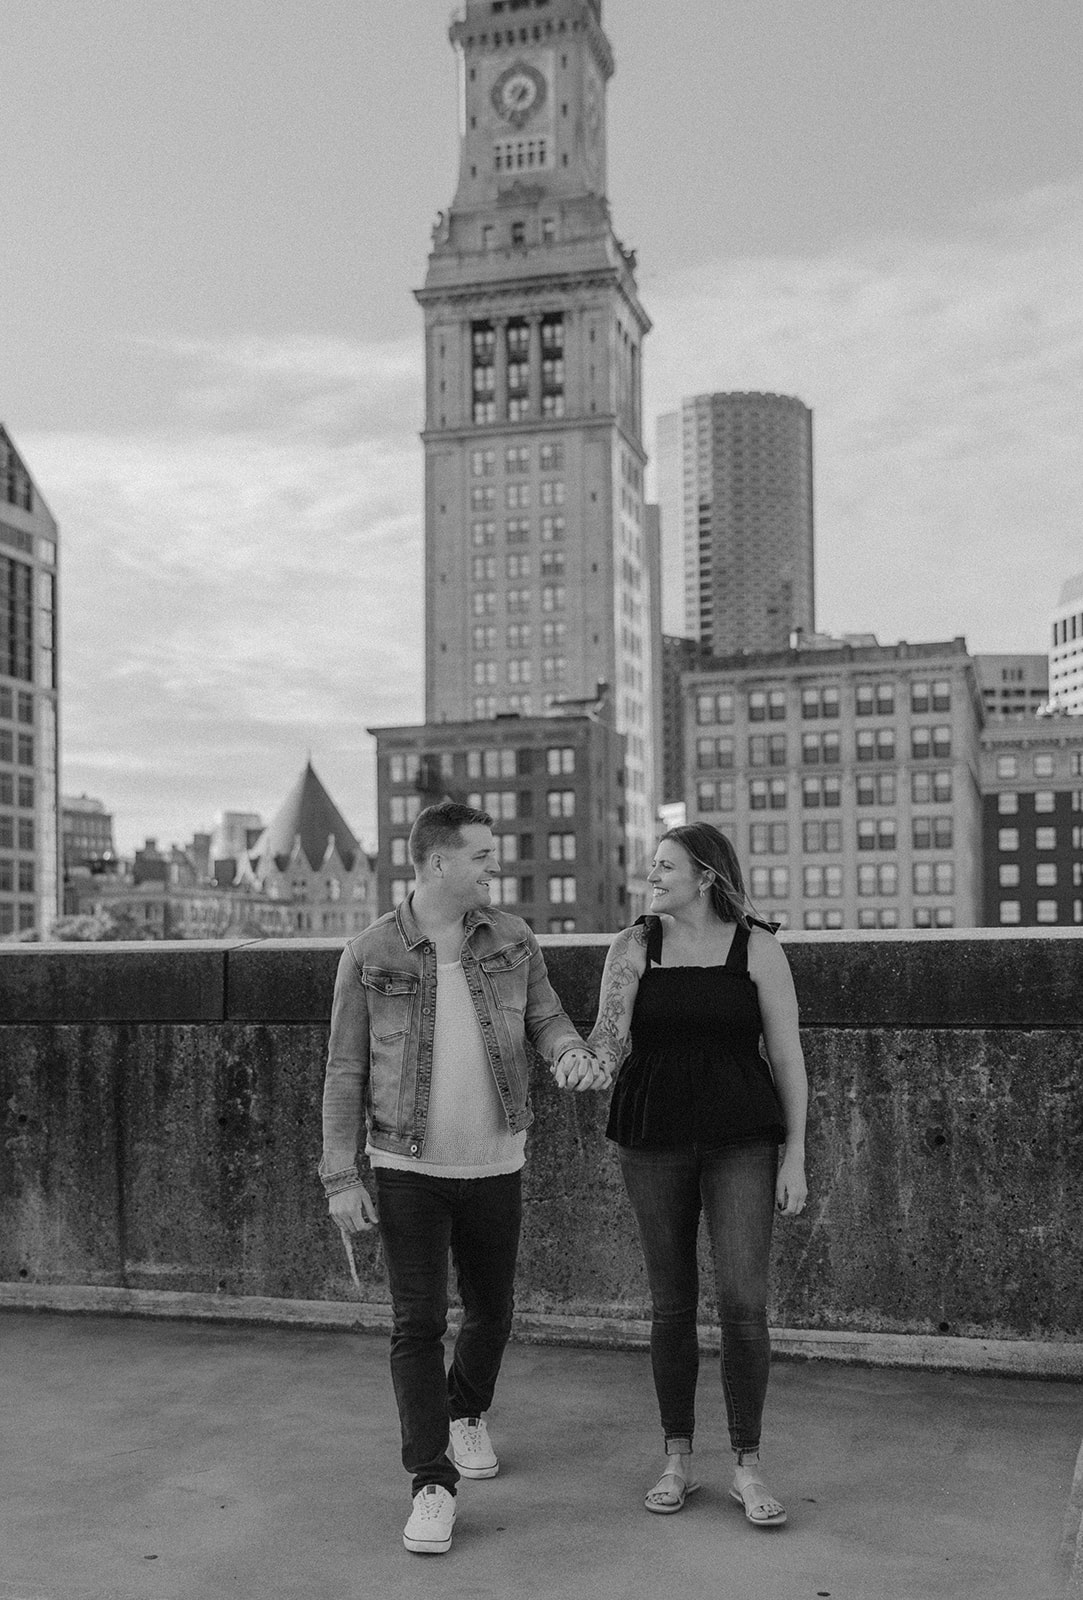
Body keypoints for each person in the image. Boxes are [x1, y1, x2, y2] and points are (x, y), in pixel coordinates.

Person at [319, 801, 597, 1556]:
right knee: (415, 1325)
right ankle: (431, 1484)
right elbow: (345, 1068)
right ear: (438, 862)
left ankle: (465, 1410)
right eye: (481, 855)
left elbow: (547, 1018)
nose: (492, 867)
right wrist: (341, 1176)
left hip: (494, 1161)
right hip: (406, 1166)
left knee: (492, 1309)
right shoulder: (370, 951)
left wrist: (568, 1051)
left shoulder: (511, 938)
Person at [583, 822, 808, 1528]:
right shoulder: (632, 946)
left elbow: (788, 1058)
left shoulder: (758, 948)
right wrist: (577, 1063)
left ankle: (746, 1466)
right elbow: (607, 1040)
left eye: (665, 867)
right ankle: (676, 1458)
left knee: (744, 1303)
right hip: (652, 1140)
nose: (651, 876)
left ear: (706, 876)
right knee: (671, 1303)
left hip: (742, 1139)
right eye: (651, 866)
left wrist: (795, 1155)